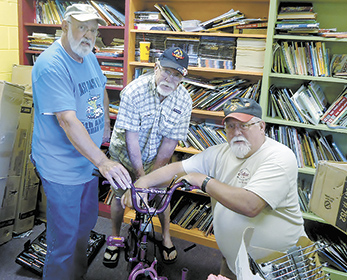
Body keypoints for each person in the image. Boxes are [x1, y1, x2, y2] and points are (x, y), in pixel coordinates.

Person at [132, 98, 306, 279]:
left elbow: (251, 205)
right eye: (230, 126)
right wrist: (143, 183)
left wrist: (203, 181)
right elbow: (177, 168)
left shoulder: (279, 156)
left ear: (261, 126)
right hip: (234, 262)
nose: (236, 132)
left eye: (244, 126)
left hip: (278, 270)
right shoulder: (220, 152)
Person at [31, 4, 132, 280]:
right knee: (63, 240)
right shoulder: (51, 65)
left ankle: (75, 275)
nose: (89, 34)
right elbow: (66, 120)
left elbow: (100, 89)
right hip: (61, 166)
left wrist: (106, 133)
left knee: (84, 225)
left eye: (94, 28)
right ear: (65, 26)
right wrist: (103, 161)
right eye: (82, 27)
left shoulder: (88, 54)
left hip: (87, 161)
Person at [103, 47, 192, 267]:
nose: (170, 79)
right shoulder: (134, 91)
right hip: (124, 154)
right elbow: (131, 139)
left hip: (155, 157)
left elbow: (169, 144)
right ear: (156, 67)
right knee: (119, 195)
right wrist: (140, 179)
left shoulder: (184, 101)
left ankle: (167, 237)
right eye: (166, 71)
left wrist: (151, 178)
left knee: (161, 194)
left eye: (177, 74)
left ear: (182, 78)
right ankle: (115, 237)